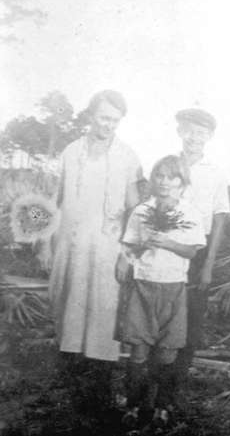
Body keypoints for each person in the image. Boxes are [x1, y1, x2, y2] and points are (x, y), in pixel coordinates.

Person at [49, 90, 143, 410]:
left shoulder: (128, 156)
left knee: (104, 316)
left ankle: (100, 401)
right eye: (104, 118)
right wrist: (44, 243)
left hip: (107, 248)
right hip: (71, 246)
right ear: (90, 115)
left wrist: (127, 253)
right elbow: (54, 199)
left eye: (116, 121)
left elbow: (134, 209)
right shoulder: (70, 152)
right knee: (70, 312)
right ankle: (74, 398)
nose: (109, 126)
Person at [117, 155, 206, 425]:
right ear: (153, 179)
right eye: (160, 176)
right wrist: (145, 244)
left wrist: (168, 243)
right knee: (139, 351)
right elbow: (129, 247)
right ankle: (133, 405)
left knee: (168, 352)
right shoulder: (142, 210)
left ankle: (161, 406)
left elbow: (191, 250)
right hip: (144, 285)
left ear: (181, 181)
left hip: (174, 287)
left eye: (172, 177)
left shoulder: (189, 212)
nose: (165, 182)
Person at [174, 108, 230, 390]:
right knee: (163, 315)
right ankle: (154, 384)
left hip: (198, 252)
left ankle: (176, 386)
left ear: (209, 137)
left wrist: (208, 264)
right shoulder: (168, 166)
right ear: (179, 132)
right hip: (167, 250)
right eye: (189, 130)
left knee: (191, 320)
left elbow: (220, 217)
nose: (193, 137)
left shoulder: (216, 172)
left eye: (200, 133)